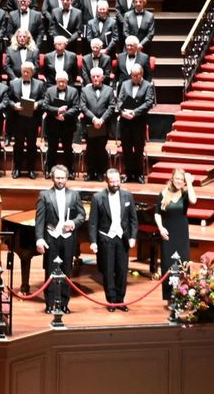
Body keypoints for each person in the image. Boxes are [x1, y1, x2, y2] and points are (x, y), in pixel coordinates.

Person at [35, 166, 85, 313]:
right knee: (50, 271)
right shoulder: (44, 195)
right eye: (57, 178)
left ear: (67, 178)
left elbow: (82, 215)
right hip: (52, 237)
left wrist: (73, 223)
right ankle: (50, 304)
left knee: (66, 272)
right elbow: (40, 220)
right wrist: (39, 239)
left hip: (68, 238)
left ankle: (64, 303)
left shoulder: (74, 195)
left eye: (63, 178)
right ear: (52, 178)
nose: (60, 181)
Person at [88, 169, 137, 310]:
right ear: (106, 181)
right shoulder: (98, 198)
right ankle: (111, 301)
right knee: (108, 272)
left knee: (122, 271)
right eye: (112, 182)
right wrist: (93, 241)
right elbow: (92, 222)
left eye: (117, 181)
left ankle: (120, 300)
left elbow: (133, 219)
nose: (115, 184)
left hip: (122, 239)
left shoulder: (128, 196)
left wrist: (133, 237)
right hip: (106, 239)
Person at [154, 168, 196, 298]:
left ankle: (183, 295)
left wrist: (189, 183)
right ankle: (169, 296)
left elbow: (194, 201)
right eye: (177, 178)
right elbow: (157, 213)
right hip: (168, 234)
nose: (179, 181)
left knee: (182, 264)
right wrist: (160, 228)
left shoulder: (185, 193)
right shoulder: (163, 193)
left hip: (181, 234)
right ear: (172, 178)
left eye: (181, 179)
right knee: (168, 264)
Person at [117, 64, 155, 183]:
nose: (134, 78)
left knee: (138, 149)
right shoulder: (124, 84)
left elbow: (149, 102)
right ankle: (128, 174)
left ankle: (138, 174)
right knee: (126, 149)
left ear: (141, 74)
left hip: (139, 122)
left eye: (136, 75)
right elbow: (119, 100)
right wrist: (122, 112)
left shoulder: (148, 86)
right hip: (125, 121)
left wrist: (134, 112)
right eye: (132, 75)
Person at [8, 61, 46, 179]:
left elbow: (44, 99)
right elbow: (7, 99)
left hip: (32, 120)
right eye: (23, 71)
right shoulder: (13, 83)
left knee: (31, 146)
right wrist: (14, 105)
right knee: (18, 145)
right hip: (18, 119)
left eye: (27, 72)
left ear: (32, 73)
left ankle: (31, 169)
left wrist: (37, 105)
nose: (25, 74)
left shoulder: (39, 84)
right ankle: (17, 169)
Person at [80, 67, 116, 180]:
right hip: (90, 124)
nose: (95, 78)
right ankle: (90, 173)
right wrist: (94, 119)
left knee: (101, 149)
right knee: (90, 149)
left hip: (103, 124)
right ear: (90, 78)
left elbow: (111, 107)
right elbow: (83, 107)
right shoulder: (85, 90)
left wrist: (102, 119)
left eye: (97, 76)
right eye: (93, 76)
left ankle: (100, 173)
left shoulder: (109, 90)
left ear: (102, 77)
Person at [42, 72, 80, 176]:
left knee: (68, 149)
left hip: (67, 125)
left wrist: (65, 115)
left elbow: (76, 107)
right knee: (52, 149)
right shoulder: (50, 91)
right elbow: (45, 106)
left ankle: (70, 171)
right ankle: (50, 171)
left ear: (67, 81)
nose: (61, 84)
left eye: (63, 82)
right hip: (53, 125)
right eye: (59, 82)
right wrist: (57, 111)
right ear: (56, 81)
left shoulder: (74, 91)